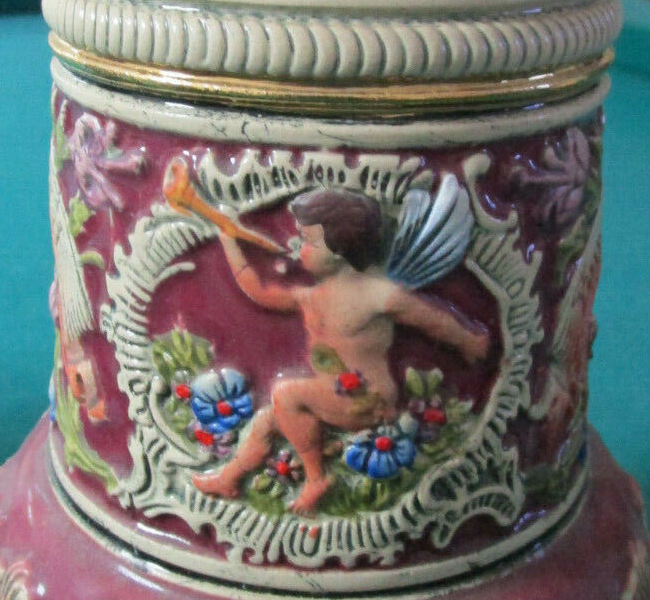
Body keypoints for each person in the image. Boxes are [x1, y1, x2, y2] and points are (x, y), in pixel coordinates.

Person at [192, 188, 489, 514]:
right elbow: (259, 290)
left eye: (308, 240)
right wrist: (229, 241)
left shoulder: (379, 294)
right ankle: (230, 478)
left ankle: (317, 478)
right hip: (330, 398)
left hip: (368, 399)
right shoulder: (312, 297)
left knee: (287, 395)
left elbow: (431, 320)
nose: (298, 247)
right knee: (265, 421)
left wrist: (469, 341)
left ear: (339, 248)